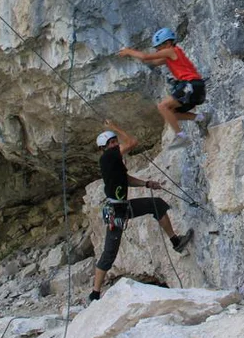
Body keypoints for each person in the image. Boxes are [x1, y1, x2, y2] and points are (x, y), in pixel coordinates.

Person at [89, 120, 194, 302]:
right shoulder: (108, 157)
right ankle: (95, 293)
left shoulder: (114, 160)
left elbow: (126, 179)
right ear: (103, 148)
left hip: (121, 206)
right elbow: (132, 142)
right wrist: (115, 126)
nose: (115, 144)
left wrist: (146, 184)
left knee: (157, 204)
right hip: (116, 210)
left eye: (115, 141)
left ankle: (176, 241)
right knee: (109, 252)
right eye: (111, 143)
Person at [118, 28, 210, 150]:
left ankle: (181, 136)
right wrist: (136, 59)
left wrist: (129, 51)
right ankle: (201, 118)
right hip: (196, 87)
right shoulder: (171, 55)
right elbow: (151, 62)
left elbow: (146, 57)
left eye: (159, 47)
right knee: (171, 113)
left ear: (168, 43)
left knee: (162, 106)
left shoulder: (171, 51)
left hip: (190, 84)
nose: (157, 50)